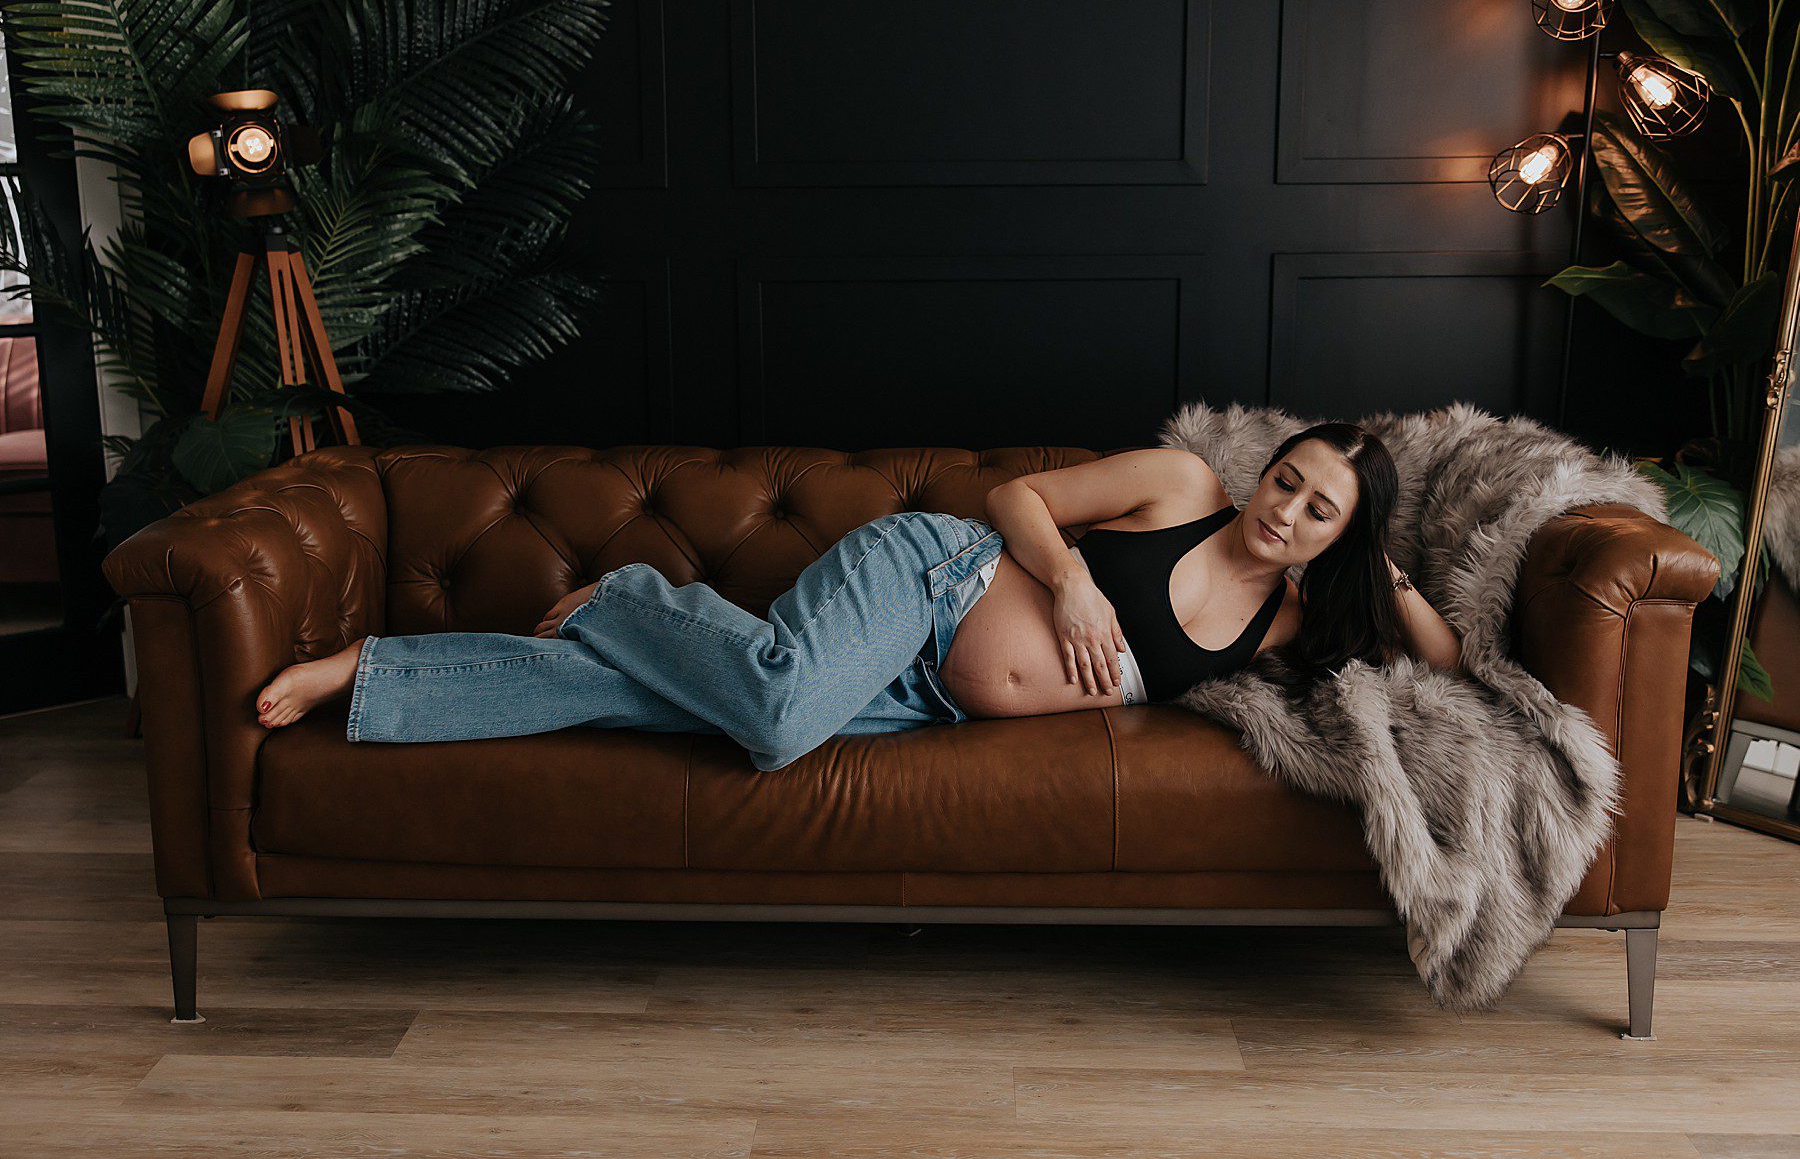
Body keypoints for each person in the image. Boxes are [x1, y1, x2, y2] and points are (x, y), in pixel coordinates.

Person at [253, 423, 1463, 770]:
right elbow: (1021, 500)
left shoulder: (1291, 620)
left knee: (656, 706)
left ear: (1334, 543)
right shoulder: (1186, 481)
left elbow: (1446, 666)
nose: (1285, 508)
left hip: (929, 702)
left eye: (1319, 511)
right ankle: (631, 594)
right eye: (1291, 479)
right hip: (929, 584)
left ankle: (373, 673)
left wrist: (1383, 565)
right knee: (776, 724)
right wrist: (1077, 581)